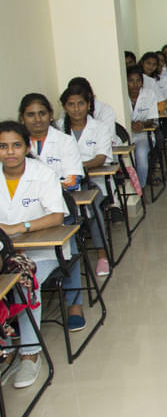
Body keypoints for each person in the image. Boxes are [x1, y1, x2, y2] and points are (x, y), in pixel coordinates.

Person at [0, 122, 66, 388]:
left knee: (24, 282)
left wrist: (19, 227)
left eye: (16, 145)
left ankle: (30, 353)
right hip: (4, 253)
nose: (10, 152)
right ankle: (5, 346)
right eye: (3, 146)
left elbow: (57, 216)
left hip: (41, 252)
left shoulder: (43, 173)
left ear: (27, 147)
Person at [18, 94, 87, 330]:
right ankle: (14, 315)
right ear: (22, 118)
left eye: (42, 113)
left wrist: (44, 186)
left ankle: (74, 304)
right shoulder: (15, 145)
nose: (37, 119)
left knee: (69, 243)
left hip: (59, 211)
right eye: (31, 114)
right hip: (24, 214)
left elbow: (73, 181)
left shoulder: (65, 141)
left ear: (50, 115)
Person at [58, 84, 113, 276]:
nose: (76, 109)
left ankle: (102, 255)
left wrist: (76, 168)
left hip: (92, 181)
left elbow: (100, 158)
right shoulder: (58, 128)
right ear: (64, 107)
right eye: (71, 104)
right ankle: (64, 259)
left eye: (80, 103)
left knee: (94, 205)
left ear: (88, 104)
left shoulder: (99, 127)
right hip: (63, 183)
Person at [126, 66, 159, 188]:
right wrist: (130, 125)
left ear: (142, 82)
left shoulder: (149, 94)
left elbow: (151, 118)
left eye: (138, 80)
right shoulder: (121, 96)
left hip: (143, 135)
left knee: (141, 156)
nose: (135, 84)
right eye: (131, 81)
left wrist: (142, 124)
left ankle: (140, 187)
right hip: (125, 136)